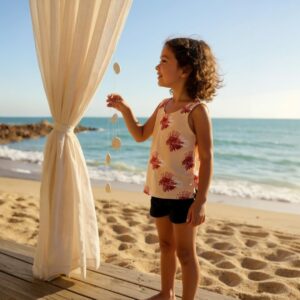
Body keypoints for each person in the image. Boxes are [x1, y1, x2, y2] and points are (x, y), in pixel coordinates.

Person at [106, 37, 221, 300]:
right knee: (165, 245)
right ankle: (166, 293)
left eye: (164, 60)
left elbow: (207, 157)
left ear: (185, 70)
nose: (157, 66)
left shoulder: (197, 111)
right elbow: (139, 134)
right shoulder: (162, 106)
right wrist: (125, 109)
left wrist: (200, 201)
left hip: (184, 196)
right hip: (159, 190)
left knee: (185, 254)